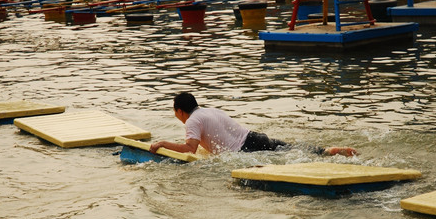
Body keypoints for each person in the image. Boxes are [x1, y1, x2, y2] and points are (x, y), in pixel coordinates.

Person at [149, 92, 357, 157]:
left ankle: (328, 154)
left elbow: (190, 149)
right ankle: (329, 151)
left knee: (287, 156)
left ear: (179, 111)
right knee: (290, 149)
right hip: (254, 137)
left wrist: (162, 144)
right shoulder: (208, 111)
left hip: (246, 150)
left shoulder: (192, 120)